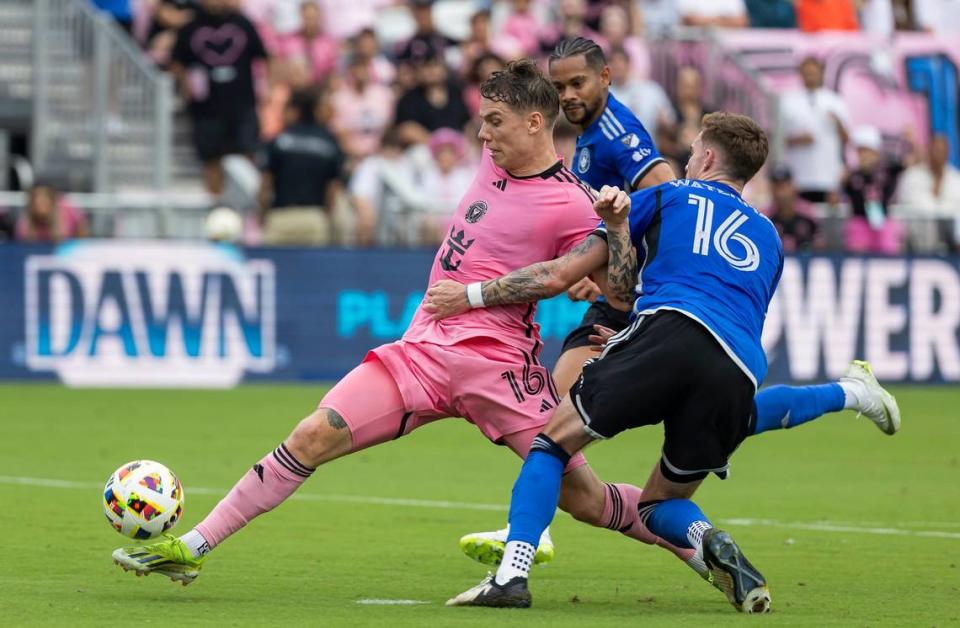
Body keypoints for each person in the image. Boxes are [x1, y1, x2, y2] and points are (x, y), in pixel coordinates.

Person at [110, 59, 701, 584]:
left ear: (535, 123)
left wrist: (616, 233)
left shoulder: (573, 202)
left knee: (586, 500)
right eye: (482, 119)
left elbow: (610, 286)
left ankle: (704, 551)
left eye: (495, 120)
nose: (482, 133)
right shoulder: (491, 161)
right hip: (421, 352)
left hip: (501, 370)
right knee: (312, 434)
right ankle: (191, 547)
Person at [443, 113, 900, 612]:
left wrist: (472, 294)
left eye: (694, 148)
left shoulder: (670, 194)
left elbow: (573, 272)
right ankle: (709, 533)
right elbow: (728, 305)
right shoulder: (769, 236)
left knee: (552, 443)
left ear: (706, 157)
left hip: (671, 328)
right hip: (740, 362)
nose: (687, 157)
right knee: (662, 502)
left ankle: (512, 574)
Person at [171, 0, 268, 195]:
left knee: (247, 154)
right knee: (211, 158)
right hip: (207, 110)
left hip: (242, 105)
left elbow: (264, 56)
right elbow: (176, 61)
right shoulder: (191, 27)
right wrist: (186, 85)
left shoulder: (242, 23)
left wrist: (268, 89)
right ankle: (215, 208)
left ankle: (249, 206)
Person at [258, 89, 346, 246]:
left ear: (294, 111)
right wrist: (325, 216)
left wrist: (263, 215)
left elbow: (266, 184)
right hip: (314, 218)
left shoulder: (278, 141)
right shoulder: (329, 142)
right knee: (314, 270)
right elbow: (333, 187)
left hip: (280, 217)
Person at [780, 56, 850, 203]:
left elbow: (846, 138)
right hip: (799, 178)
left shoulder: (835, 101)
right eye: (806, 73)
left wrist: (837, 122)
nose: (810, 76)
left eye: (813, 72)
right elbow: (778, 140)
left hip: (828, 178)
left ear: (821, 73)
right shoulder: (788, 102)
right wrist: (796, 140)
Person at [843, 125, 905, 255]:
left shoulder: (887, 170)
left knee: (889, 258)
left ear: (876, 152)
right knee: (856, 259)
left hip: (882, 223)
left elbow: (909, 160)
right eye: (860, 151)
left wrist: (907, 140)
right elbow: (839, 196)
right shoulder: (852, 176)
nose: (863, 155)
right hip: (860, 223)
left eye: (866, 151)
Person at [766, 166, 824, 253]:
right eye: (777, 187)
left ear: (792, 186)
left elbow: (820, 245)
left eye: (784, 186)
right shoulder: (765, 216)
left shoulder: (808, 212)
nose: (781, 193)